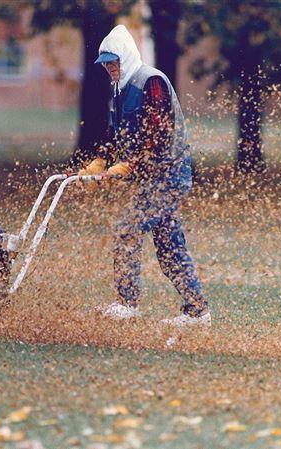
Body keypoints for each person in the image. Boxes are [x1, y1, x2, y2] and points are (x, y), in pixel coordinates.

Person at [79, 24, 211, 327]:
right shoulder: (119, 89)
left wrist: (132, 164)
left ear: (125, 57)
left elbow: (159, 131)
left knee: (128, 228)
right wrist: (101, 161)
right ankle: (198, 312)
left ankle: (127, 304)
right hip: (152, 176)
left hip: (169, 173)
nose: (110, 68)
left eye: (114, 62)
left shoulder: (151, 81)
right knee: (169, 244)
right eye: (106, 64)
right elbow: (117, 133)